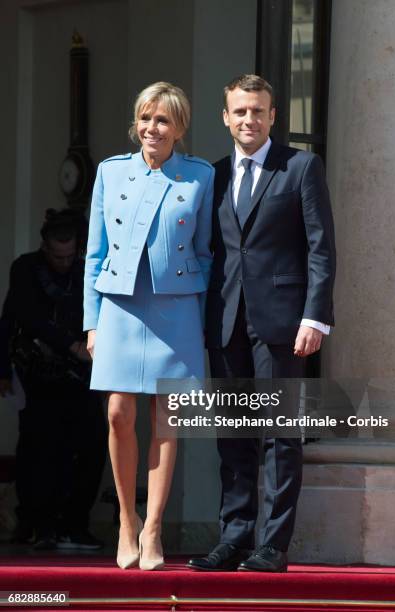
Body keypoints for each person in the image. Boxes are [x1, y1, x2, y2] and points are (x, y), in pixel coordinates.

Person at [188, 74, 336, 572]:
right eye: (240, 111)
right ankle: (234, 537)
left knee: (279, 434)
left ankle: (272, 546)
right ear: (225, 117)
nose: (249, 119)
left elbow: (321, 248)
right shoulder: (213, 176)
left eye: (258, 111)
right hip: (224, 321)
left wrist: (315, 316)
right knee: (231, 435)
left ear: (273, 116)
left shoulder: (300, 167)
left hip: (282, 324)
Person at [84, 81, 214, 570]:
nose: (151, 128)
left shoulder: (199, 176)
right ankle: (126, 519)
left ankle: (155, 527)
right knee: (118, 412)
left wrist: (201, 322)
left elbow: (204, 252)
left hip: (176, 308)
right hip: (118, 306)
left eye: (162, 120)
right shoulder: (109, 173)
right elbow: (94, 254)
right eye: (145, 118)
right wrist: (91, 322)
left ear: (179, 128)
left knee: (166, 418)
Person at [0, 208, 107, 550]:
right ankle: (37, 523)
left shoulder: (85, 270)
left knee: (91, 446)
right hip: (39, 374)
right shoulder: (26, 268)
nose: (63, 262)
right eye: (56, 255)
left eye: (69, 255)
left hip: (83, 374)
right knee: (41, 449)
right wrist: (3, 369)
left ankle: (75, 524)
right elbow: (20, 318)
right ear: (45, 247)